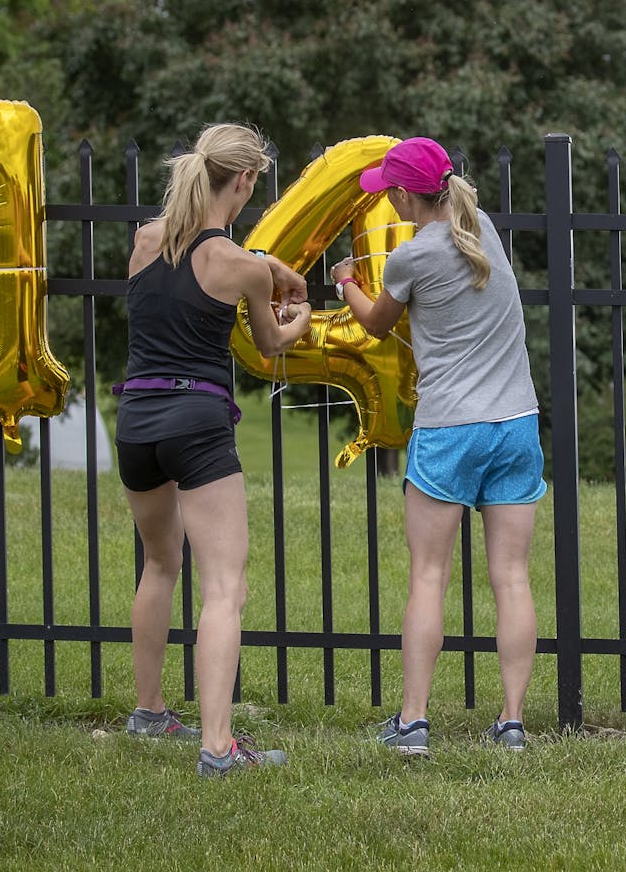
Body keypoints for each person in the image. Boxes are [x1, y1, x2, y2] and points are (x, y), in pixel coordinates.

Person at [332, 136, 545, 756]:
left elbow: (375, 323)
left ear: (402, 195)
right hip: (516, 423)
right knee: (511, 577)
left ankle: (413, 723)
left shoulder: (411, 256)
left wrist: (348, 280)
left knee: (429, 576)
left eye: (389, 194)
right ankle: (511, 724)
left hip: (451, 428)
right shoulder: (485, 234)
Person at [114, 122, 312, 777]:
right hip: (196, 422)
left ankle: (148, 713)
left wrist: (262, 262)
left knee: (159, 564)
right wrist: (300, 316)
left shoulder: (144, 241)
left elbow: (182, 274)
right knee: (224, 585)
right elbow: (269, 345)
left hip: (136, 419)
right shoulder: (241, 268)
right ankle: (220, 748)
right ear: (248, 180)